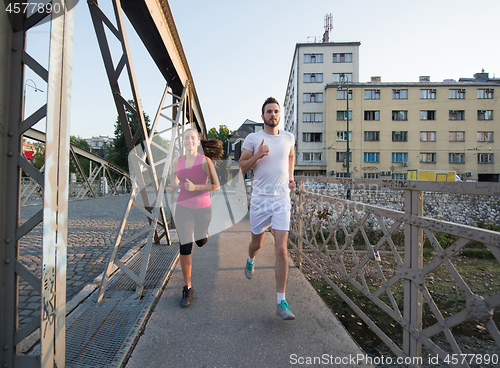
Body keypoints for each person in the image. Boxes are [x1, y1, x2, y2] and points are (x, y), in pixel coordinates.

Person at [238, 97, 296, 320]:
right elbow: (242, 167)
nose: (273, 114)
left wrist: (290, 177)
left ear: (280, 115)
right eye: (269, 111)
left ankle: (281, 301)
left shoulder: (288, 138)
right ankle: (251, 259)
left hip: (282, 199)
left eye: (276, 111)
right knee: (257, 243)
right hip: (261, 199)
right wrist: (258, 155)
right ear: (262, 116)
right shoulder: (254, 138)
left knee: (281, 249)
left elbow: (290, 155)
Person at [168, 129, 221, 307]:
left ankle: (204, 234)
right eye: (186, 138)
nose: (189, 140)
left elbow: (216, 186)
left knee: (199, 241)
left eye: (192, 138)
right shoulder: (177, 161)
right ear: (183, 142)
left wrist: (196, 187)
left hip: (203, 209)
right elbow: (175, 178)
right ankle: (188, 287)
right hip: (183, 208)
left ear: (198, 142)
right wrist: (173, 185)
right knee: (185, 246)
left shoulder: (204, 161)